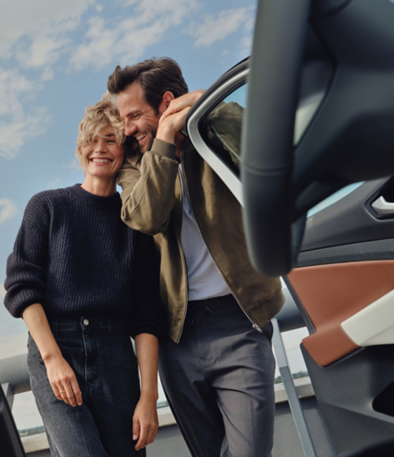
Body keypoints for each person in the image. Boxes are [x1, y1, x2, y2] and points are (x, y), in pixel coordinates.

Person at [107, 57, 284, 457]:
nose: (128, 128)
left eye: (135, 115)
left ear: (166, 101)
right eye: (124, 118)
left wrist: (210, 106)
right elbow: (145, 216)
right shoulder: (135, 164)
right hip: (177, 336)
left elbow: (265, 150)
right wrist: (165, 139)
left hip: (240, 323)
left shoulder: (214, 128)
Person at [4, 94, 165, 456]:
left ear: (124, 150)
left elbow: (146, 313)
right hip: (57, 350)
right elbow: (22, 288)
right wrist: (53, 360)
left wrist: (149, 397)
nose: (100, 149)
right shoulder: (47, 206)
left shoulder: (136, 222)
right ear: (81, 149)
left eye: (111, 140)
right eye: (93, 140)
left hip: (115, 355)